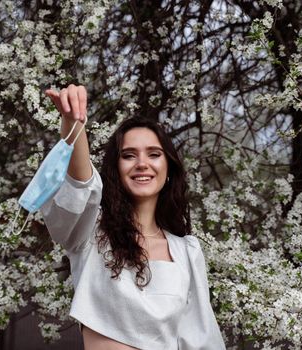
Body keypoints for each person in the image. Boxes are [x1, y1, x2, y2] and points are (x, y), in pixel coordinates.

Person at [40, 84, 226, 350]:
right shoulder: (91, 235)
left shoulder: (187, 251)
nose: (142, 163)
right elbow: (80, 187)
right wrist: (73, 123)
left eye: (154, 154)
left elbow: (202, 339)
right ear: (116, 169)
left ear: (168, 168)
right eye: (128, 155)